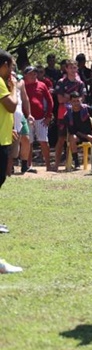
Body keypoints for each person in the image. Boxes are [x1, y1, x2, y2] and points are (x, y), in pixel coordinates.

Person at [53, 60, 86, 171]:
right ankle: (56, 165)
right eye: (70, 67)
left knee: (74, 136)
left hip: (77, 114)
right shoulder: (61, 82)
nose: (73, 70)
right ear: (66, 69)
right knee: (61, 138)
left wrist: (69, 97)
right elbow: (60, 99)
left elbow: (82, 99)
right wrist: (73, 98)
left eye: (74, 68)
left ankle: (74, 163)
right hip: (63, 114)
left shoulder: (80, 83)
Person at [0, 50, 17, 234]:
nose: (11, 70)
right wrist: (14, 88)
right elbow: (11, 106)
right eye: (11, 65)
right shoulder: (0, 82)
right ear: (4, 65)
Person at [23, 66, 54, 170]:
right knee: (29, 142)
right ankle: (28, 165)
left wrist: (48, 115)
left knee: (44, 141)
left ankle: (48, 165)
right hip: (27, 117)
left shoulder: (42, 85)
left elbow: (50, 101)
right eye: (30, 74)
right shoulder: (22, 85)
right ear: (25, 75)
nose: (33, 75)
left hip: (41, 118)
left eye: (34, 73)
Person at [65, 92, 92, 169]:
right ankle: (76, 163)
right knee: (72, 138)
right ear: (70, 102)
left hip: (91, 133)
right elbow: (73, 131)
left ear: (81, 100)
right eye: (74, 101)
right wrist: (86, 136)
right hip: (79, 136)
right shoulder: (68, 115)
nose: (76, 103)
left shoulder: (87, 109)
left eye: (78, 101)